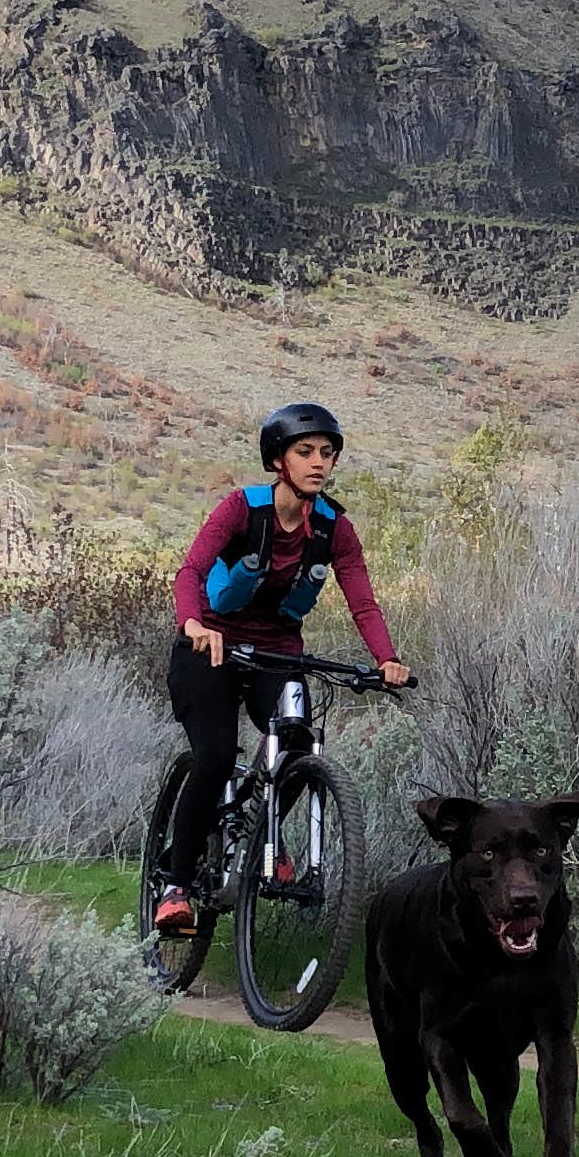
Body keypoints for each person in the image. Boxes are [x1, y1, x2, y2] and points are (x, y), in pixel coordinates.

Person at [155, 400, 409, 939]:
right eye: (305, 452)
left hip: (277, 652)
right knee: (218, 754)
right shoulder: (241, 510)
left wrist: (385, 659)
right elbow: (192, 570)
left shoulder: (335, 529)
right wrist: (195, 625)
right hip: (212, 650)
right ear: (278, 460)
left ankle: (261, 836)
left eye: (327, 453)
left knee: (296, 746)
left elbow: (362, 602)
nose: (319, 462)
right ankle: (176, 883)